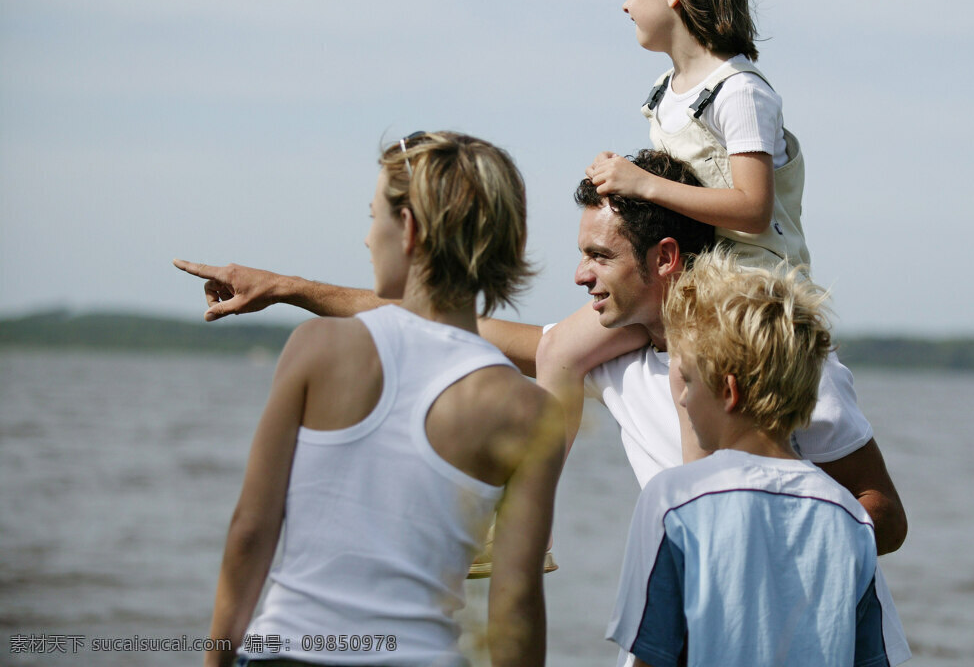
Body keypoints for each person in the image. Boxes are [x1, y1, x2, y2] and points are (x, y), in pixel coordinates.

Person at [176, 149, 910, 665]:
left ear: (663, 261)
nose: (579, 272)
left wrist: (760, 548)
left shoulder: (782, 364)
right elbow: (438, 317)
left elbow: (884, 513)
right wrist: (283, 287)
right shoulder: (613, 354)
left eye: (600, 255)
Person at [204, 132, 564, 667]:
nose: (368, 239)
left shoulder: (317, 347)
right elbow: (515, 604)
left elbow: (250, 531)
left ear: (411, 230)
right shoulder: (528, 410)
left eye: (374, 217)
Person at [538, 0, 815, 455]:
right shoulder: (666, 91)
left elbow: (752, 207)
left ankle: (696, 504)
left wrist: (643, 184)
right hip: (686, 279)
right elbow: (671, 199)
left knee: (687, 381)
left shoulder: (740, 91)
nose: (623, 2)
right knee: (556, 353)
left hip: (746, 283)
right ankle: (533, 515)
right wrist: (620, 186)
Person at [607, 251, 887, 667]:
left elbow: (654, 655)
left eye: (689, 381)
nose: (682, 397)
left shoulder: (674, 500)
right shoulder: (849, 516)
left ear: (729, 391)